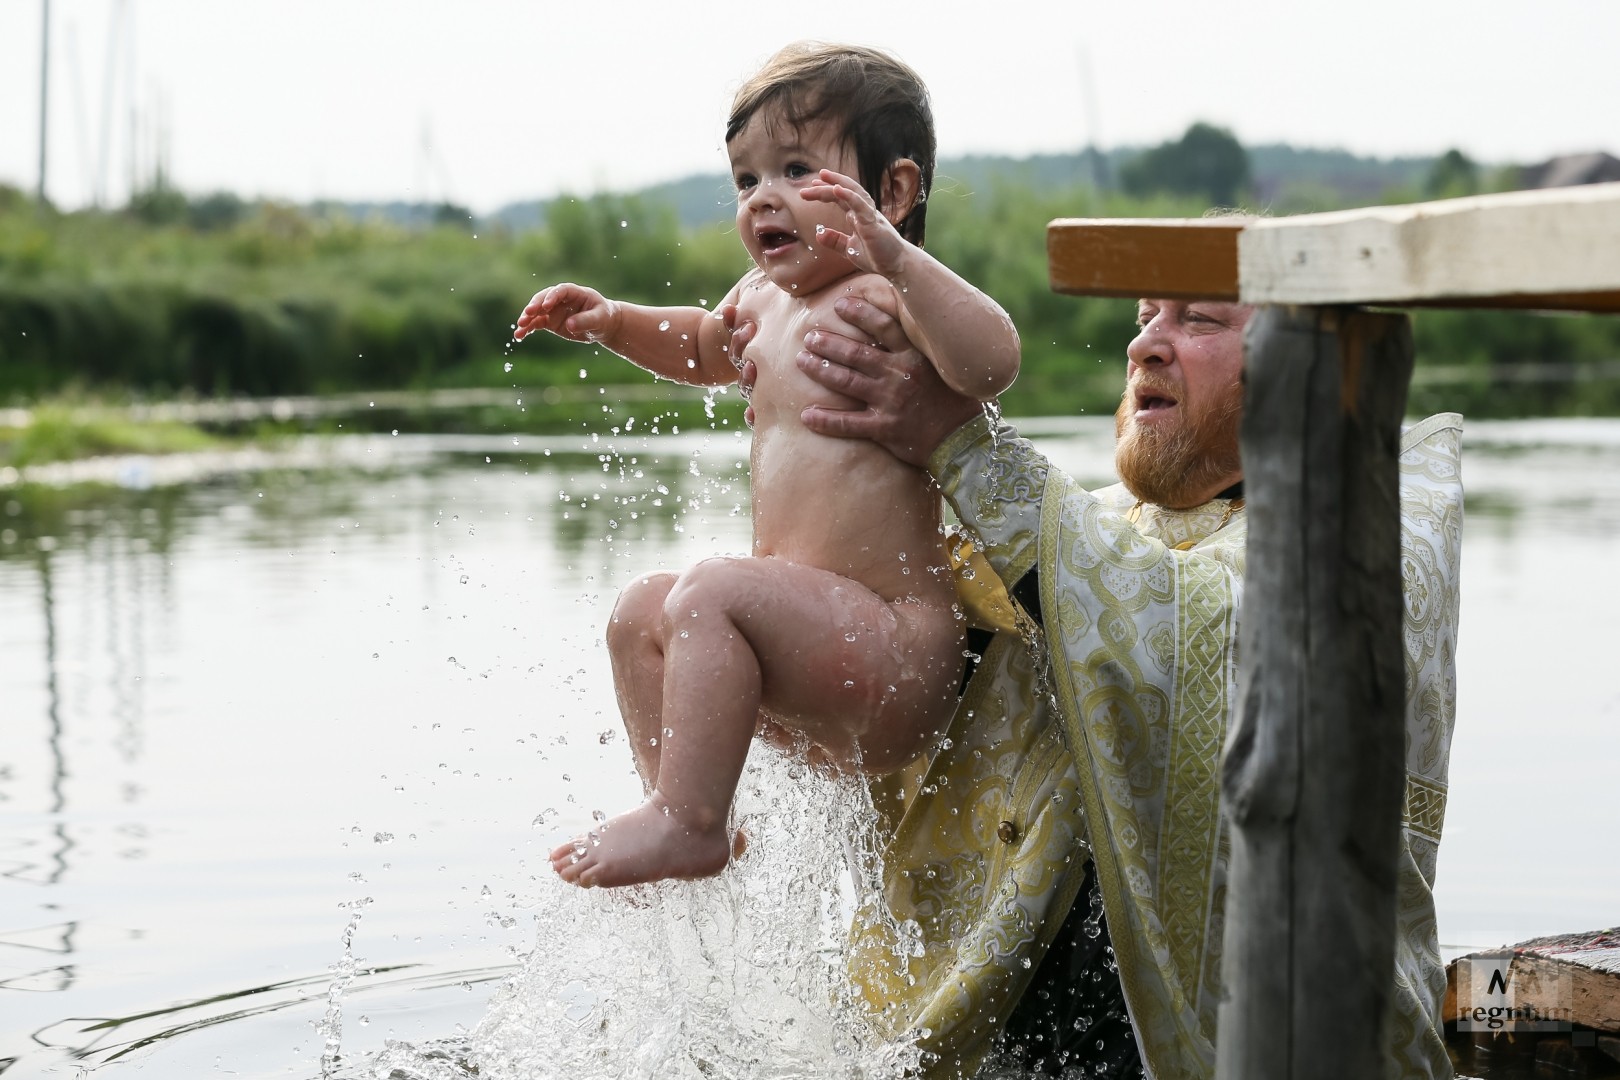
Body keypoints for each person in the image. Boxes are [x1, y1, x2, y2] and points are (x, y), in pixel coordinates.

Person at [731, 294, 1462, 1078]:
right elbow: (962, 631)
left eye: (1200, 321)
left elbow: (1195, 632)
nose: (1145, 343)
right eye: (1147, 314)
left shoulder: (1379, 532)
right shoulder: (1097, 527)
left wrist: (958, 441)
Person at [510, 42, 1020, 889]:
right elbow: (702, 347)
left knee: (712, 587)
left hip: (894, 646)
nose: (764, 200)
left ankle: (687, 823)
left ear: (890, 192)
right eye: (747, 180)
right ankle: (686, 807)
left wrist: (897, 257)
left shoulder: (888, 295)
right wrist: (612, 321)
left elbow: (991, 360)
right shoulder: (758, 299)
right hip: (804, 651)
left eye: (795, 169)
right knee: (643, 612)